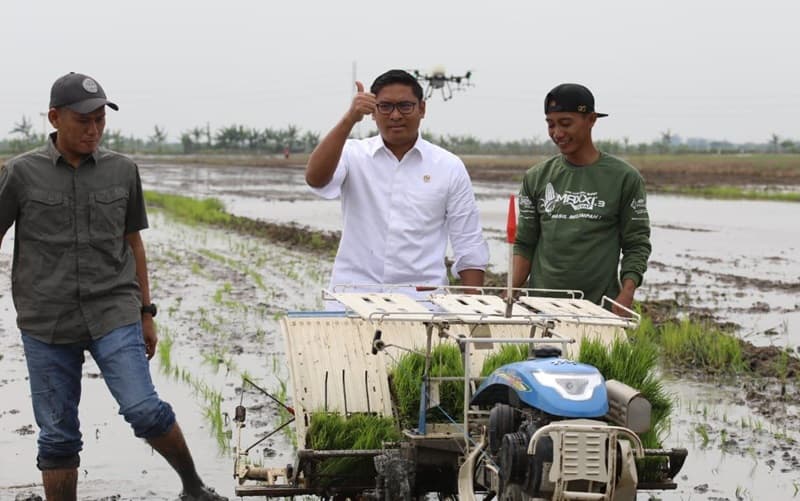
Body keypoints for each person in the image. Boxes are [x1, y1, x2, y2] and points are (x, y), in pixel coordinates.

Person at [0, 72, 226, 501]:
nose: (93, 129)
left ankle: (194, 487)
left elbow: (133, 242)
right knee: (58, 436)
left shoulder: (123, 171)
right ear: (54, 117)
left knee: (144, 409)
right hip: (45, 319)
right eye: (83, 120)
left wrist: (146, 312)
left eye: (100, 120)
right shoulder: (20, 174)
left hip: (113, 310)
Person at [305, 69, 489, 296]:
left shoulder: (449, 166)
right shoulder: (353, 154)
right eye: (385, 106)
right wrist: (349, 119)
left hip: (422, 303)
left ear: (422, 109)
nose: (395, 115)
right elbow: (316, 179)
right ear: (373, 112)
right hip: (354, 297)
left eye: (405, 106)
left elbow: (468, 243)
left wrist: (474, 313)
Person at [511, 83, 651, 315]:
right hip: (540, 310)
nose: (557, 133)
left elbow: (636, 244)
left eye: (566, 123)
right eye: (551, 124)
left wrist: (626, 294)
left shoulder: (624, 178)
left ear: (591, 119)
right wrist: (511, 290)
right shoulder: (536, 178)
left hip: (598, 310)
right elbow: (525, 242)